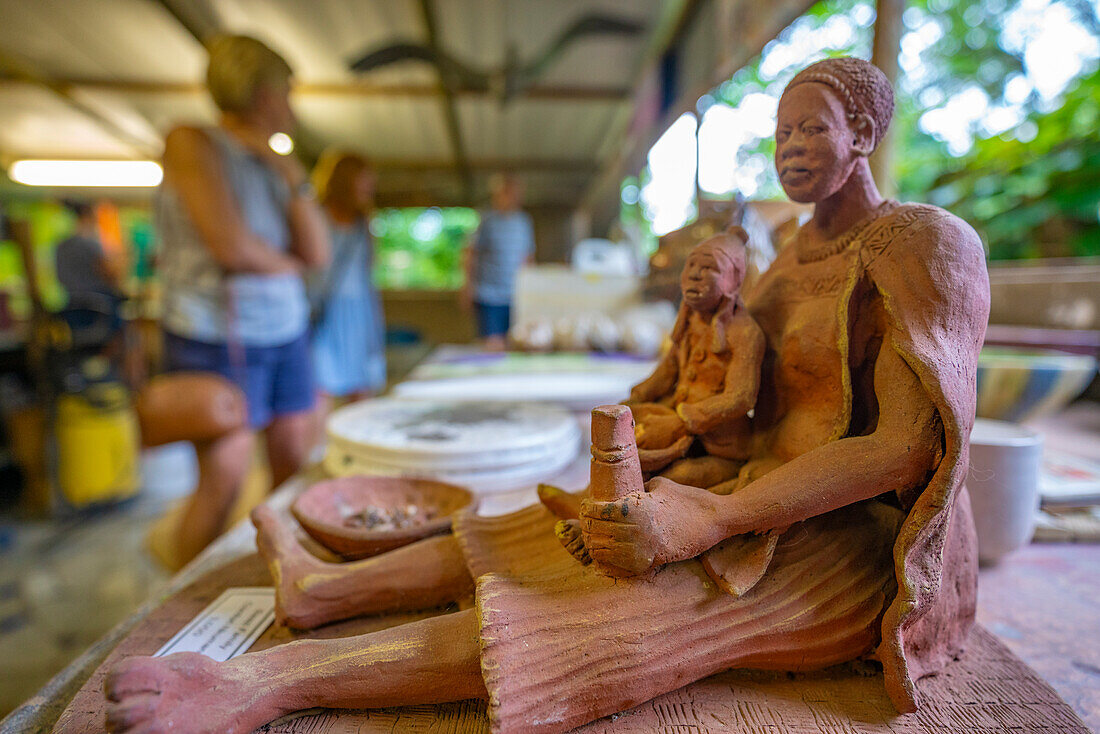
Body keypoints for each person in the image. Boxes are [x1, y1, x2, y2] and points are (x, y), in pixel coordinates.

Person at [104, 57, 989, 734]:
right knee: (552, 530)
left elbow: (908, 448)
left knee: (596, 615)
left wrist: (718, 520)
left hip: (840, 539)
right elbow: (724, 387)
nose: (792, 152)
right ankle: (323, 592)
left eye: (815, 132)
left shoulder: (922, 245)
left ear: (866, 134)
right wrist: (665, 435)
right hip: (740, 486)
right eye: (782, 133)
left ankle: (262, 684)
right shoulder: (782, 250)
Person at [154, 35, 330, 565]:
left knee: (294, 455)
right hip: (215, 329)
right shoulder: (193, 141)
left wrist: (291, 175)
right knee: (226, 471)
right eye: (286, 92)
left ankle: (282, 569)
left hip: (283, 328)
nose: (292, 106)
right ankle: (178, 609)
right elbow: (230, 245)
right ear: (260, 93)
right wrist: (287, 264)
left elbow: (317, 252)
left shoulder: (276, 166)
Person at [625, 226, 764, 489]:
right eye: (691, 265)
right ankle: (586, 505)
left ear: (733, 281)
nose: (695, 275)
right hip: (681, 431)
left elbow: (741, 397)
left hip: (720, 448)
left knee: (670, 481)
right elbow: (668, 371)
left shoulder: (744, 332)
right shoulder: (689, 322)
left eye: (710, 268)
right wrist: (637, 396)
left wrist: (681, 421)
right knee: (619, 446)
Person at [308, 151, 386, 404]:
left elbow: (369, 270)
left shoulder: (363, 222)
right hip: (324, 311)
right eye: (363, 179)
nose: (369, 186)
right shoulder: (316, 216)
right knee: (319, 388)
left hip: (358, 313)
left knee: (362, 388)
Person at [462, 173, 535, 350]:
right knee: (492, 345)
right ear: (498, 194)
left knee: (516, 343)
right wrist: (467, 286)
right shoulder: (486, 220)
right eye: (508, 192)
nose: (513, 197)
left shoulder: (523, 222)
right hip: (489, 295)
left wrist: (529, 288)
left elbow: (528, 257)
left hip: (514, 295)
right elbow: (470, 253)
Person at [54, 201, 125, 343]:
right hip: (99, 310)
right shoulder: (92, 244)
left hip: (71, 308)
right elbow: (111, 274)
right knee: (126, 333)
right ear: (87, 217)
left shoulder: (59, 248)